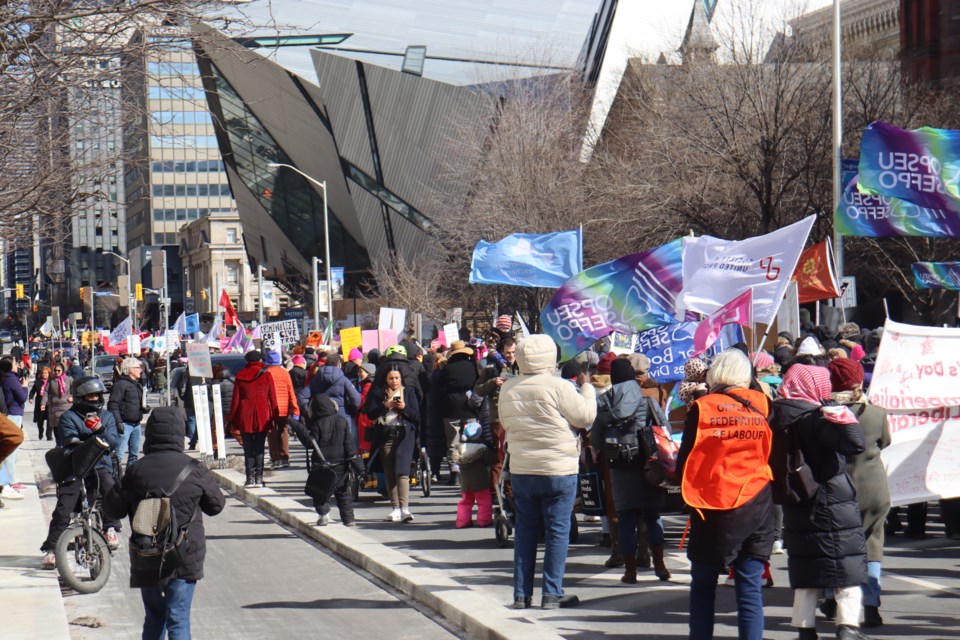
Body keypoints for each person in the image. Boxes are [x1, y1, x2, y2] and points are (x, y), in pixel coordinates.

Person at [102, 406, 225, 639]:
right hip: (184, 554)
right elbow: (216, 506)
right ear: (179, 432)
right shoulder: (194, 468)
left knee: (154, 617)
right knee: (178, 619)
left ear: (151, 434)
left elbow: (114, 509)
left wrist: (109, 481)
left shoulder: (136, 469)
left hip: (147, 553)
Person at [677, 349, 775, 640]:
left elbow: (685, 460)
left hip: (713, 504)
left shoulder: (702, 407)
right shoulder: (765, 405)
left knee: (704, 587)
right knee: (749, 589)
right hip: (757, 500)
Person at [772, 363, 870, 640]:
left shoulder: (778, 416)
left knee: (805, 566)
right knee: (846, 566)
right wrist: (843, 415)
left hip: (796, 497)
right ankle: (848, 627)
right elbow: (855, 444)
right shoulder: (815, 418)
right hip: (830, 497)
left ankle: (805, 628)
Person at [499, 334, 597, 610]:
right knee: (557, 531)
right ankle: (552, 592)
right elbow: (585, 417)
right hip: (558, 468)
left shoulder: (508, 388)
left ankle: (521, 593)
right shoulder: (559, 386)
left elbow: (506, 422)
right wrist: (587, 389)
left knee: (526, 531)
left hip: (523, 468)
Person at [591, 358, 669, 585]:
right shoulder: (646, 400)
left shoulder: (604, 402)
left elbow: (595, 439)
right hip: (647, 465)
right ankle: (660, 566)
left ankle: (630, 571)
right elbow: (664, 429)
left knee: (624, 519)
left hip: (619, 467)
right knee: (652, 517)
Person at [827, 357, 890, 628]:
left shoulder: (827, 414)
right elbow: (885, 441)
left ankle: (832, 598)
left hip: (839, 487)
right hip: (874, 486)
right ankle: (871, 604)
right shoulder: (876, 413)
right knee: (872, 544)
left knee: (837, 545)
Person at [40, 377, 121, 567]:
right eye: (89, 395)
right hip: (75, 468)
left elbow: (114, 441)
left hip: (100, 465)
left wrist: (100, 429)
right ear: (79, 397)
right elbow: (70, 439)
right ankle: (52, 549)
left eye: (96, 395)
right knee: (64, 507)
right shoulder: (69, 417)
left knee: (110, 488)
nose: (94, 399)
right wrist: (94, 440)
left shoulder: (107, 416)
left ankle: (110, 528)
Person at [293, 393, 364, 526]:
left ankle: (323, 515)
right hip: (341, 464)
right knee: (343, 493)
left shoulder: (317, 424)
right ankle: (348, 519)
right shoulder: (342, 420)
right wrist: (357, 465)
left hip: (322, 465)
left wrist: (298, 427)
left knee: (320, 492)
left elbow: (310, 443)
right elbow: (349, 445)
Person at [363, 365, 420, 522]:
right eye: (391, 378)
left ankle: (405, 508)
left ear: (401, 379)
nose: (394, 381)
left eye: (396, 378)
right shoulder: (378, 393)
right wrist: (385, 406)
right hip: (386, 434)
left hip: (404, 435)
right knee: (389, 472)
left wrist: (404, 408)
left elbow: (416, 415)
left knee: (403, 471)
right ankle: (395, 508)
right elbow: (370, 413)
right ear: (386, 379)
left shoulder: (408, 392)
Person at [228, 351, 277, 488]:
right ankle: (259, 479)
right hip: (262, 414)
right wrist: (275, 415)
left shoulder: (240, 376)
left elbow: (235, 400)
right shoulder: (266, 375)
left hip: (245, 414)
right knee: (260, 447)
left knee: (248, 447)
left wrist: (232, 418)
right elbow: (272, 397)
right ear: (259, 359)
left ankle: (249, 478)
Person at [263, 350, 299, 469]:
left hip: (270, 408)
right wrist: (295, 409)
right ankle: (285, 458)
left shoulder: (265, 373)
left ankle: (276, 459)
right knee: (283, 431)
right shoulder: (285, 373)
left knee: (271, 433)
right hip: (283, 408)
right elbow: (291, 392)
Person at [108, 357, 147, 467]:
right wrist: (118, 422)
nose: (141, 370)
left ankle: (130, 478)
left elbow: (134, 402)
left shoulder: (137, 384)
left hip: (136, 424)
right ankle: (114, 478)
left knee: (134, 455)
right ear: (130, 369)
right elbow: (113, 404)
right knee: (119, 455)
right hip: (125, 424)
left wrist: (143, 408)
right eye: (138, 368)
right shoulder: (121, 384)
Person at [0, 357, 28, 499]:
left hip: (10, 413)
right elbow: (22, 397)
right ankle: (10, 482)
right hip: (12, 413)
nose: (17, 365)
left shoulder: (6, 378)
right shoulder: (11, 379)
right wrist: (25, 386)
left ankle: (7, 482)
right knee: (12, 448)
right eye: (15, 363)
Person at [46, 362, 73, 446]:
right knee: (56, 428)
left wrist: (72, 397)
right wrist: (43, 403)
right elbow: (46, 392)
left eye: (59, 371)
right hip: (55, 407)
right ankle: (58, 444)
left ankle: (66, 443)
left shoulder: (69, 379)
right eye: (55, 370)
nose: (57, 372)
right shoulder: (51, 380)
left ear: (63, 371)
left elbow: (76, 390)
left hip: (66, 406)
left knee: (65, 426)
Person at [30, 366, 52, 440]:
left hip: (49, 403)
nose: (44, 374)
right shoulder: (37, 383)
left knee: (50, 420)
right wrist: (31, 398)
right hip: (39, 402)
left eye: (45, 373)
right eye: (43, 373)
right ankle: (40, 431)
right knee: (40, 420)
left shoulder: (51, 382)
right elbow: (32, 391)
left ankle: (49, 435)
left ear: (49, 374)